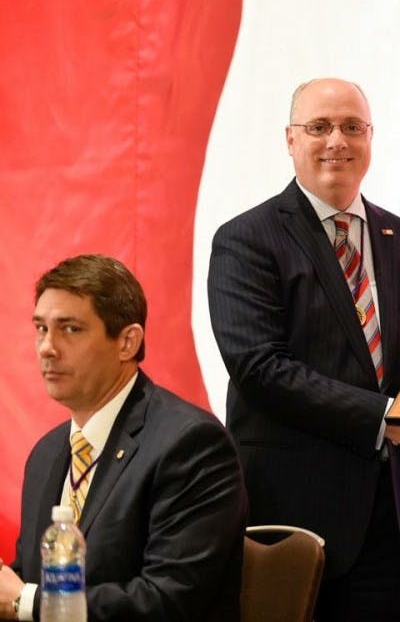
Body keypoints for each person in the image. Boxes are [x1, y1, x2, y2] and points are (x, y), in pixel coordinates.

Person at [207, 77, 400, 621]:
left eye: (352, 127)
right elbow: (260, 368)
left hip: (389, 522)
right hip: (287, 525)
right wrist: (389, 419)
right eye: (319, 127)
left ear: (371, 138)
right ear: (290, 139)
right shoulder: (246, 240)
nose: (337, 141)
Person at [0, 254, 246, 621]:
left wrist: (30, 603)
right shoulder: (47, 453)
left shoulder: (190, 445)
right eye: (41, 328)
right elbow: (26, 580)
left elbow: (168, 600)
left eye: (70, 329)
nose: (47, 347)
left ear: (127, 342)